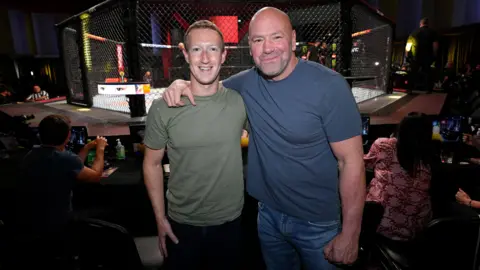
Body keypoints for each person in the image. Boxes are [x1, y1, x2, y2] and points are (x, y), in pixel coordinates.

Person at [162, 7, 365, 269]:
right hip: (267, 217)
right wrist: (181, 83)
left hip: (318, 225)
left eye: (276, 37)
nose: (267, 48)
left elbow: (352, 162)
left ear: (293, 40)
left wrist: (350, 234)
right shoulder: (245, 84)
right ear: (250, 47)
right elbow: (208, 87)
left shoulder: (330, 86)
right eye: (258, 40)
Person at [143, 20, 247, 270]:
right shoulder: (163, 107)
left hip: (230, 224)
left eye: (212, 49)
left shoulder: (240, 101)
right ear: (185, 54)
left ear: (223, 55)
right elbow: (151, 164)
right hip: (181, 225)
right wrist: (159, 219)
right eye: (197, 49)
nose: (205, 58)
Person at [11, 114, 107, 267]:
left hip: (32, 221)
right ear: (68, 136)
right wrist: (100, 149)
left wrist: (87, 148)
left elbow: (74, 166)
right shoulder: (66, 159)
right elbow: (95, 175)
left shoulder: (31, 155)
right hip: (59, 223)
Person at [364, 112, 433, 241]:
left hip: (377, 226)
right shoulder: (427, 162)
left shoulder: (384, 145)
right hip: (411, 234)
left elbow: (364, 166)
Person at [407, 18, 439, 94]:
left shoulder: (414, 32)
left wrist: (407, 55)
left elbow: (408, 45)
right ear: (428, 24)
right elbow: (435, 45)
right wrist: (434, 55)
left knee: (413, 73)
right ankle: (428, 90)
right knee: (428, 73)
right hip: (427, 56)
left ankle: (410, 89)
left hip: (416, 56)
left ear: (420, 24)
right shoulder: (432, 32)